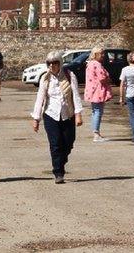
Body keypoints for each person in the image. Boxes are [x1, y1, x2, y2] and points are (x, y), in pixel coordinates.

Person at [31, 50, 83, 184]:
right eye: (49, 63)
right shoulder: (45, 78)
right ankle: (58, 172)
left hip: (68, 114)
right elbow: (40, 99)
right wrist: (36, 119)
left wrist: (78, 115)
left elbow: (76, 96)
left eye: (54, 63)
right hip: (50, 114)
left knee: (69, 142)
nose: (51, 66)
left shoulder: (70, 76)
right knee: (55, 144)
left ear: (60, 63)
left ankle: (61, 160)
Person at [83, 46, 113, 142]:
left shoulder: (90, 64)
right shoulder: (97, 64)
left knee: (95, 111)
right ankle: (96, 134)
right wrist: (109, 79)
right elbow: (102, 78)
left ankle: (96, 132)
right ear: (95, 54)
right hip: (97, 91)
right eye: (101, 53)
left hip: (92, 91)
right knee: (98, 112)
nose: (103, 56)